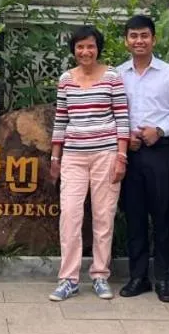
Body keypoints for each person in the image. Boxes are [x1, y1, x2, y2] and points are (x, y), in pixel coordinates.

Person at [48, 25, 130, 302]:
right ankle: (68, 279)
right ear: (74, 50)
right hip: (73, 156)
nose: (85, 51)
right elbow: (61, 119)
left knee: (103, 216)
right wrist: (55, 157)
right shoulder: (66, 79)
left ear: (98, 49)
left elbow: (122, 118)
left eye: (90, 46)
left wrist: (121, 157)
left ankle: (100, 275)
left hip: (106, 155)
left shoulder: (112, 77)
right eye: (80, 47)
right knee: (70, 216)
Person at [116, 14, 169, 302]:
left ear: (153, 39)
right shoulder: (117, 75)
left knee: (162, 215)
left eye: (144, 35)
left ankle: (165, 279)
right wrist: (123, 137)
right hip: (129, 153)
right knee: (134, 217)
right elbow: (112, 111)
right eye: (133, 36)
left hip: (160, 151)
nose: (139, 41)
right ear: (126, 41)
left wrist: (159, 130)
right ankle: (138, 277)